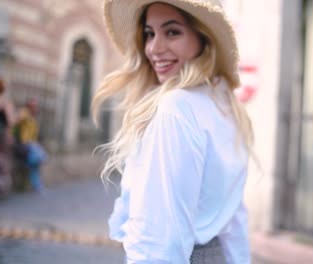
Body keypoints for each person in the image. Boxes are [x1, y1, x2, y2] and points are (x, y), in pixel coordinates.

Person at [92, 0, 254, 263]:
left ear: (202, 36)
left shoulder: (176, 107)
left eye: (172, 32)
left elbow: (158, 237)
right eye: (149, 34)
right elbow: (235, 224)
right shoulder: (223, 106)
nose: (154, 48)